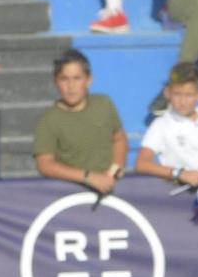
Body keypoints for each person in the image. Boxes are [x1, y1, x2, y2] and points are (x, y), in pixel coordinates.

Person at [32, 48, 128, 193]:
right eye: (64, 79)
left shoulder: (104, 104)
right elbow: (44, 164)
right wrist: (87, 177)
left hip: (110, 189)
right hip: (71, 193)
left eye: (77, 78)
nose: (71, 87)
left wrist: (114, 171)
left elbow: (119, 139)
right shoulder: (49, 120)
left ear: (89, 80)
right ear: (55, 82)